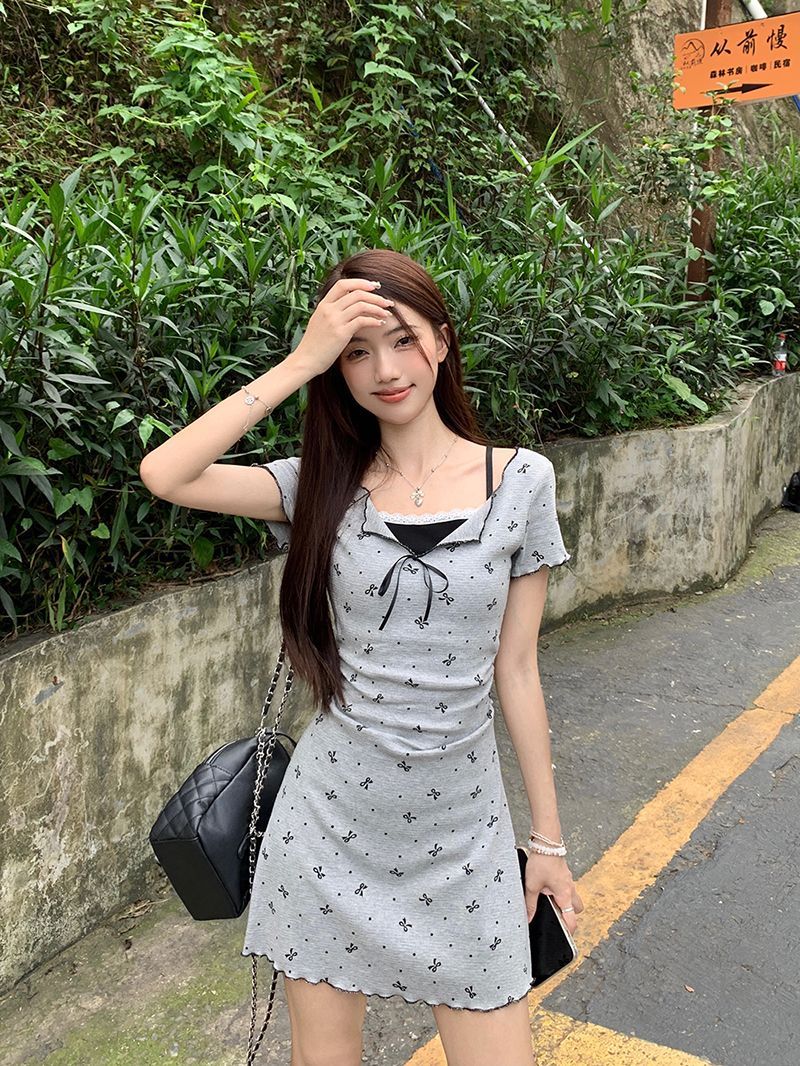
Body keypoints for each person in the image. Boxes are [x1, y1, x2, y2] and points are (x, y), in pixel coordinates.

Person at [139, 248, 584, 1066]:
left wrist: (548, 842)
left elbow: (517, 671)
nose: (385, 370)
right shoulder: (317, 484)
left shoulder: (523, 481)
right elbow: (166, 473)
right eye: (356, 352)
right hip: (328, 827)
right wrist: (299, 362)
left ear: (442, 342)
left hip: (464, 837)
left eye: (404, 340)